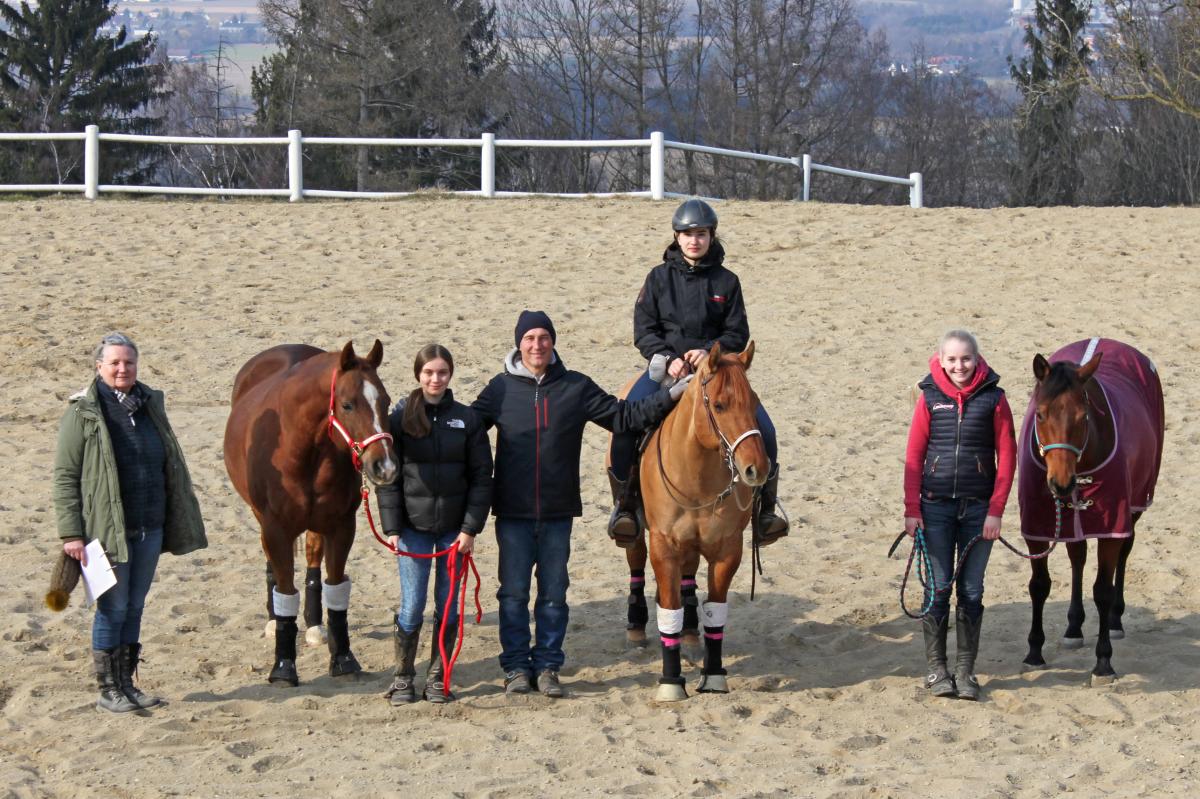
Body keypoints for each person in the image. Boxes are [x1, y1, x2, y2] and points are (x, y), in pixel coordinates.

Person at [472, 310, 689, 698]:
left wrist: (672, 394)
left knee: (554, 593)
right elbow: (467, 429)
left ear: (552, 342)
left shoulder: (575, 387)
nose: (537, 345)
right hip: (512, 513)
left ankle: (550, 666)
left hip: (558, 512)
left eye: (543, 338)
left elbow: (624, 417)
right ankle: (518, 668)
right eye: (530, 339)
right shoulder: (500, 390)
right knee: (513, 594)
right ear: (518, 344)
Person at [608, 199, 787, 548]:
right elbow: (643, 328)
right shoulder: (657, 279)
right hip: (666, 371)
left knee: (764, 428)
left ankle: (765, 512)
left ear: (711, 237)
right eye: (688, 234)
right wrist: (666, 356)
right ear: (677, 237)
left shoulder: (727, 281)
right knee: (626, 423)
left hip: (716, 372)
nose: (694, 240)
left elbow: (737, 331)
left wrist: (709, 350)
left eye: (701, 234)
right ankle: (625, 506)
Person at [52, 332, 207, 713]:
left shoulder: (149, 405)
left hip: (150, 525)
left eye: (129, 362)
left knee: (135, 606)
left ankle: (127, 684)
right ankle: (109, 690)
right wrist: (71, 533)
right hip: (106, 532)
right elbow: (65, 476)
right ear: (99, 367)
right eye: (115, 363)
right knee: (112, 607)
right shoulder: (82, 413)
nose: (123, 369)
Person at [903, 329, 1016, 700]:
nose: (959, 366)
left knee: (971, 589)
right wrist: (912, 509)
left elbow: (1007, 459)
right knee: (937, 587)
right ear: (941, 360)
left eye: (965, 358)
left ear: (977, 359)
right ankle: (937, 671)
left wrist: (995, 512)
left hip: (979, 509)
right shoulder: (929, 398)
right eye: (952, 359)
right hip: (935, 507)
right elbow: (915, 455)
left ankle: (966, 672)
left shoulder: (994, 399)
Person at [376, 344, 492, 705]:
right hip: (412, 530)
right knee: (412, 606)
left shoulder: (467, 419)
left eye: (442, 372)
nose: (435, 379)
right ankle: (403, 678)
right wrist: (392, 528)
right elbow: (388, 477)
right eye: (429, 372)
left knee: (446, 606)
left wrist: (470, 529)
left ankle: (438, 677)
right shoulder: (400, 419)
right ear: (418, 375)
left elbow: (481, 477)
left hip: (454, 532)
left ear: (450, 375)